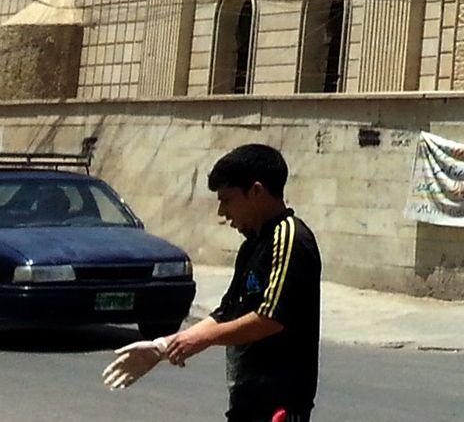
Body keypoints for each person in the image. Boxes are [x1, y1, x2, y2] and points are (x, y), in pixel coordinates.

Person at [103, 143, 321, 421]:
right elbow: (228, 312)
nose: (222, 213)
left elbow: (270, 319)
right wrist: (163, 346)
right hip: (249, 402)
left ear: (256, 191)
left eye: (227, 200)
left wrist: (201, 340)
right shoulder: (252, 246)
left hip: (279, 405)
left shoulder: (289, 238)